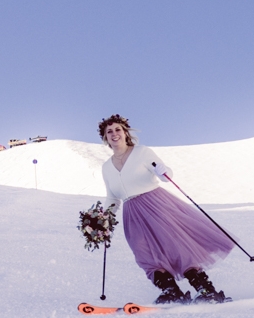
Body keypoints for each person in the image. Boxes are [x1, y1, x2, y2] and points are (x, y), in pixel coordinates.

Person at [98, 114, 232, 303]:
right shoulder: (106, 167)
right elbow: (112, 197)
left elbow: (164, 174)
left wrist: (164, 171)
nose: (114, 134)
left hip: (155, 204)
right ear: (105, 138)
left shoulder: (142, 152)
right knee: (144, 252)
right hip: (132, 213)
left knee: (176, 247)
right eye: (109, 131)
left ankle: (206, 290)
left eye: (118, 129)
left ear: (125, 132)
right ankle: (171, 291)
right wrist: (105, 220)